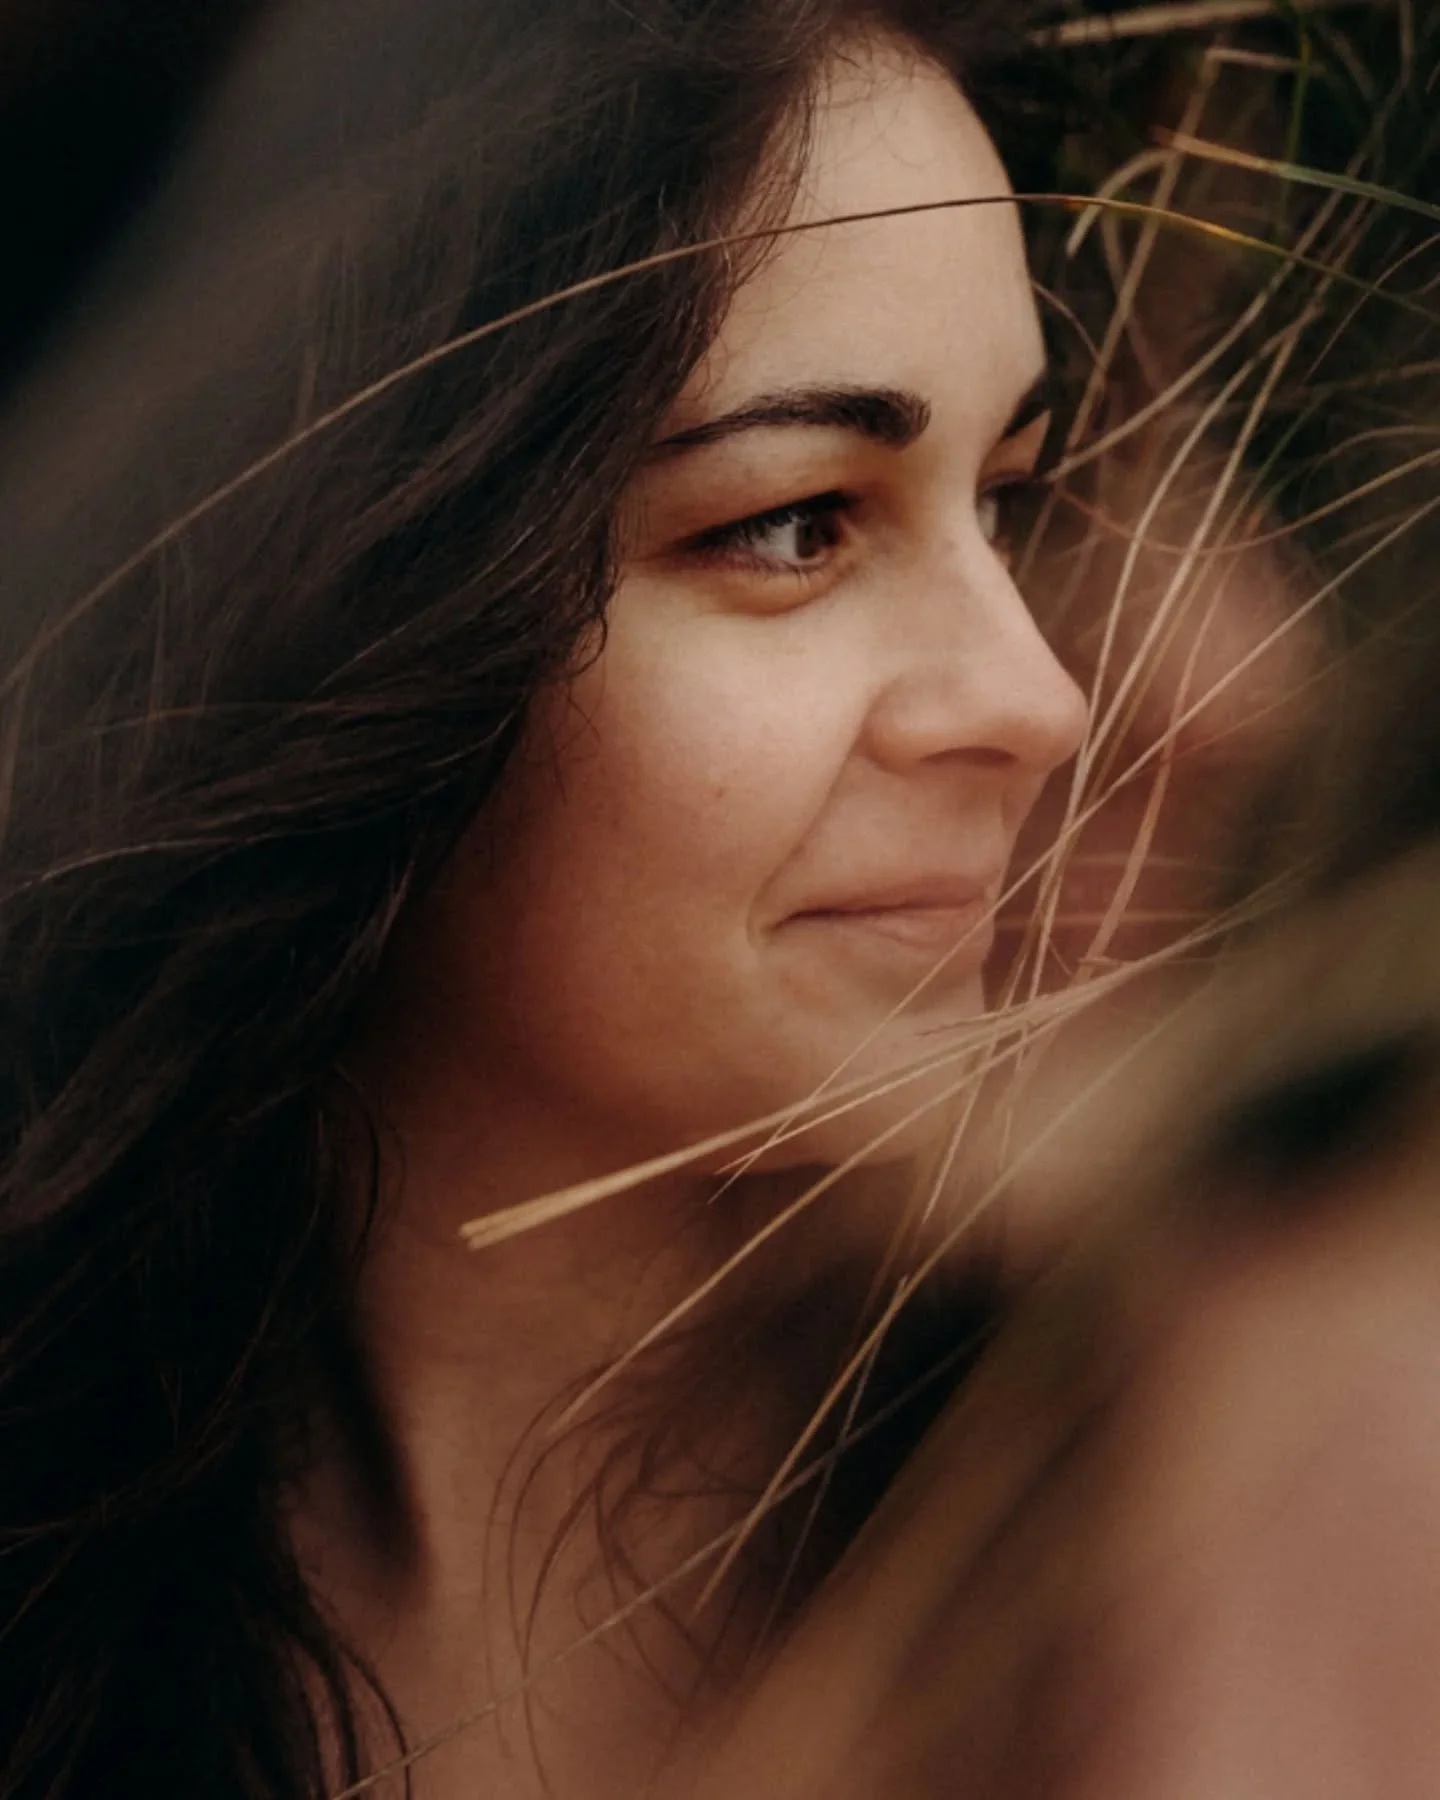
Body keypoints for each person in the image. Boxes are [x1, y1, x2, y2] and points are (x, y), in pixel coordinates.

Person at [0, 2, 1090, 1795]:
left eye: (1009, 496)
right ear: (351, 604)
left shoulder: (1181, 1512)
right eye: (798, 524)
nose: (1037, 702)